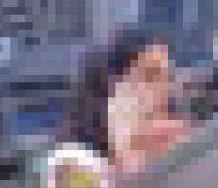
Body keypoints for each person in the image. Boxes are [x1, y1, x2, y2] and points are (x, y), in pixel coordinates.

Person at [64, 29, 189, 179]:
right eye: (150, 76)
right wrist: (128, 151)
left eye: (168, 77)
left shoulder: (181, 146)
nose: (165, 89)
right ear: (109, 87)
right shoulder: (68, 167)